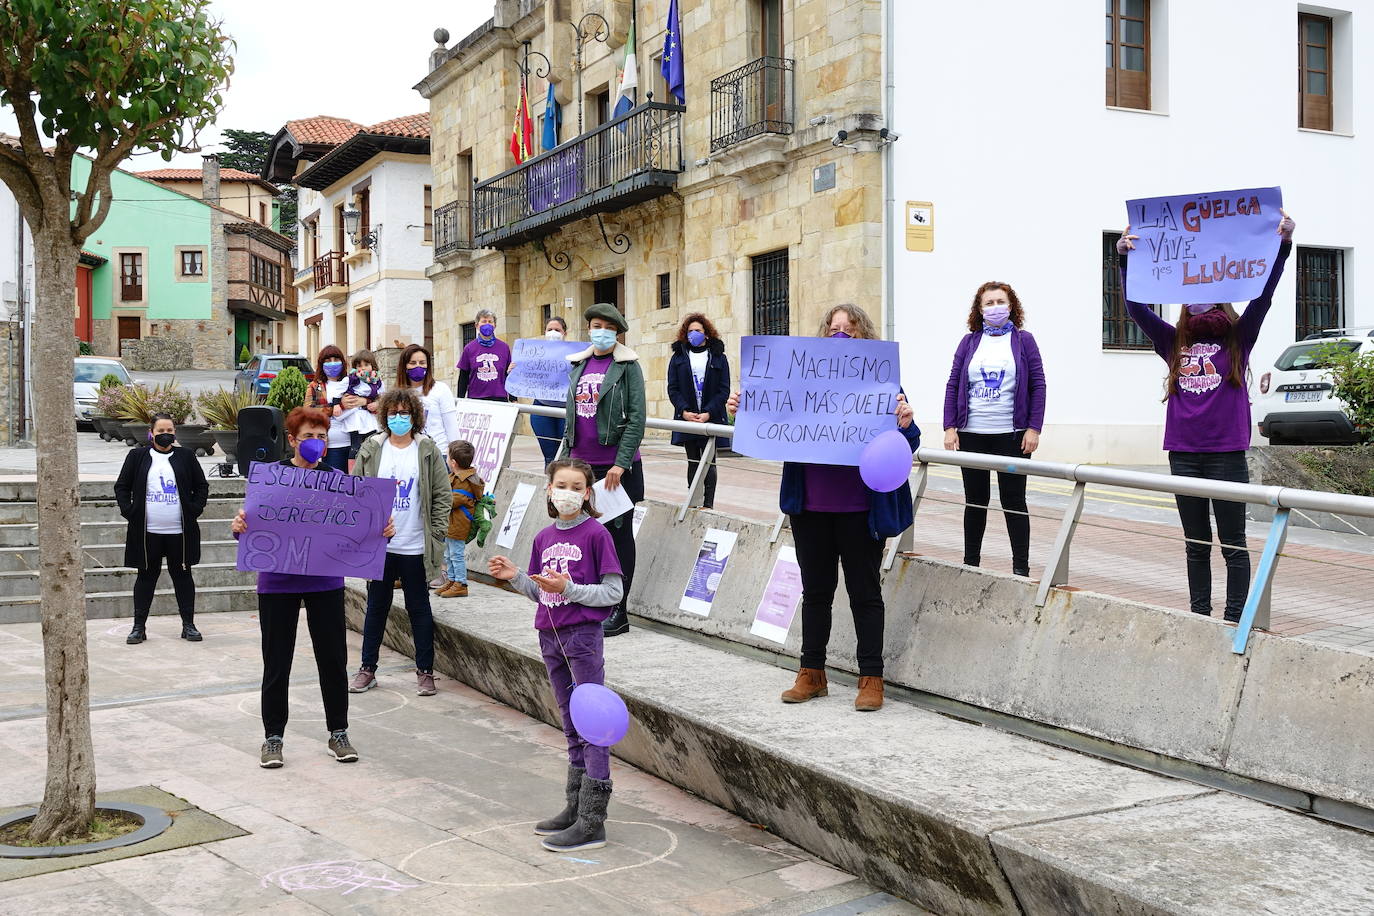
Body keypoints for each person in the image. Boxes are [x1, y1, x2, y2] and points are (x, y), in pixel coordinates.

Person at [727, 304, 919, 712]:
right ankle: (811, 672)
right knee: (815, 592)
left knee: (865, 593)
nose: (841, 335)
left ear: (864, 336)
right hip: (810, 506)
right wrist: (745, 410)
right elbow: (768, 422)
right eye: (833, 329)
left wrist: (905, 422)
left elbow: (908, 442)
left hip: (859, 509)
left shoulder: (883, 382)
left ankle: (871, 678)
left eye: (850, 329)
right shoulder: (798, 379)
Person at [1119, 212, 1295, 622]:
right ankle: (1199, 614)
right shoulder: (1172, 340)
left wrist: (1283, 246)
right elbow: (1134, 307)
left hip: (1226, 454)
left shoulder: (1239, 338)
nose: (1201, 299)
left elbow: (1264, 296)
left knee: (1233, 541)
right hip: (1183, 453)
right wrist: (1125, 261)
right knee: (1195, 542)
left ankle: (1236, 617)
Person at [230, 407, 382, 768]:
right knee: (276, 661)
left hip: (325, 580)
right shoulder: (272, 478)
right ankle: (273, 738)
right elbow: (251, 521)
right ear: (292, 439)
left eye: (322, 436)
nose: (316, 443)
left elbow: (358, 528)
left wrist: (380, 531)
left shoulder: (338, 482)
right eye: (309, 436)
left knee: (333, 659)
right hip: (277, 581)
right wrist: (239, 526)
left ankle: (339, 732)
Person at [488, 457, 622, 853]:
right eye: (561, 485)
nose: (568, 492)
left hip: (582, 636)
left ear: (587, 492)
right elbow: (540, 591)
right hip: (549, 635)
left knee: (592, 724)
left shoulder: (597, 535)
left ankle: (593, 821)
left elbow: (612, 594)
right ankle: (575, 807)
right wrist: (515, 576)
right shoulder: (543, 537)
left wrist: (569, 590)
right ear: (550, 489)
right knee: (568, 722)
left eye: (577, 487)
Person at [351, 386, 451, 696]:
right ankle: (368, 668)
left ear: (415, 417)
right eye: (393, 413)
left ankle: (425, 671)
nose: (398, 418)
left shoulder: (427, 449)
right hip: (381, 547)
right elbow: (358, 493)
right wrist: (368, 528)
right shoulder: (372, 448)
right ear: (384, 416)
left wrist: (434, 533)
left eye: (404, 413)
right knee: (376, 608)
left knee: (419, 608)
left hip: (415, 546)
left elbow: (441, 495)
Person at [942, 282, 1046, 578]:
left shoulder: (1024, 341)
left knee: (1014, 501)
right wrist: (950, 426)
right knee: (975, 500)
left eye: (1000, 301)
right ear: (979, 309)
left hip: (1011, 436)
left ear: (1012, 306)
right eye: (989, 303)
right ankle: (970, 563)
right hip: (972, 433)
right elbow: (953, 384)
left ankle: (1020, 569)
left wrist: (1034, 428)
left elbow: (1038, 385)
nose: (995, 307)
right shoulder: (969, 342)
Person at [561, 303, 645, 638]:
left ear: (617, 332)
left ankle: (619, 610)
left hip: (615, 469)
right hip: (582, 465)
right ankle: (594, 602)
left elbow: (637, 418)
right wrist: (565, 461)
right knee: (586, 537)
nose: (601, 331)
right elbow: (571, 417)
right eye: (596, 325)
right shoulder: (579, 363)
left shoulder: (627, 365)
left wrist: (620, 463)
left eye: (608, 327)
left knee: (618, 537)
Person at [114, 413, 210, 644]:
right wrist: (130, 511)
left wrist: (195, 509)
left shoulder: (185, 456)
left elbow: (201, 485)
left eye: (169, 431)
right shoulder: (137, 456)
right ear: (151, 433)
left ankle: (189, 625)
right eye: (161, 431)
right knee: (146, 577)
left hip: (180, 532)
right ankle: (139, 627)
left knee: (183, 577)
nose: (165, 435)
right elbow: (122, 487)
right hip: (147, 532)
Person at [666, 313, 731, 510]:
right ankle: (693, 501)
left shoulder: (719, 357)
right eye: (691, 331)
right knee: (693, 460)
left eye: (698, 331)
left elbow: (724, 389)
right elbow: (673, 388)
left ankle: (708, 504)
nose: (694, 334)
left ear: (707, 334)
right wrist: (684, 411)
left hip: (710, 418)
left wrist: (709, 412)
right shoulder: (678, 357)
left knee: (709, 461)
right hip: (688, 419)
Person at [437, 439, 484, 598]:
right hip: (451, 524)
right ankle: (451, 580)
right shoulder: (456, 477)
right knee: (448, 554)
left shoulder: (463, 481)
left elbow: (451, 500)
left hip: (458, 524)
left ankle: (461, 583)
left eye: (448, 457)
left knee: (455, 555)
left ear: (453, 462)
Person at [396, 342, 459, 455]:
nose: (418, 366)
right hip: (409, 455)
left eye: (422, 363)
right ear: (404, 366)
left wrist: (457, 455)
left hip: (438, 453)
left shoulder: (441, 389)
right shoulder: (397, 394)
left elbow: (452, 426)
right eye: (413, 363)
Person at [531, 316, 570, 468]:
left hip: (566, 410)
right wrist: (514, 370)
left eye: (557, 330)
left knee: (564, 455)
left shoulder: (575, 354)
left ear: (564, 333)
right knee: (549, 455)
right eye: (550, 330)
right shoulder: (534, 355)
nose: (553, 332)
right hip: (541, 408)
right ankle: (550, 486)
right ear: (544, 332)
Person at [306, 344, 352, 471]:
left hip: (354, 445)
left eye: (336, 360)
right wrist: (336, 407)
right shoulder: (315, 386)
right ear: (321, 365)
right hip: (331, 447)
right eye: (328, 361)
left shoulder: (352, 383)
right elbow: (308, 413)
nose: (332, 364)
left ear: (342, 362)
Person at [456, 308, 512, 401]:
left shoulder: (504, 348)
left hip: (500, 399)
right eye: (484, 321)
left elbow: (509, 374)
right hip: (476, 399)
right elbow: (463, 377)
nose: (487, 324)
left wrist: (513, 398)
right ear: (477, 325)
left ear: (495, 325)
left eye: (490, 322)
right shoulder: (469, 348)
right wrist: (459, 400)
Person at [340, 348, 383, 465]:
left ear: (373, 366)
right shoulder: (351, 380)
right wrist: (341, 402)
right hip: (355, 418)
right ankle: (353, 471)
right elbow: (338, 395)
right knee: (355, 446)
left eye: (366, 364)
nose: (362, 368)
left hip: (370, 418)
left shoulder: (377, 381)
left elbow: (383, 398)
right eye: (359, 365)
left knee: (371, 444)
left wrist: (377, 404)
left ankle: (370, 468)